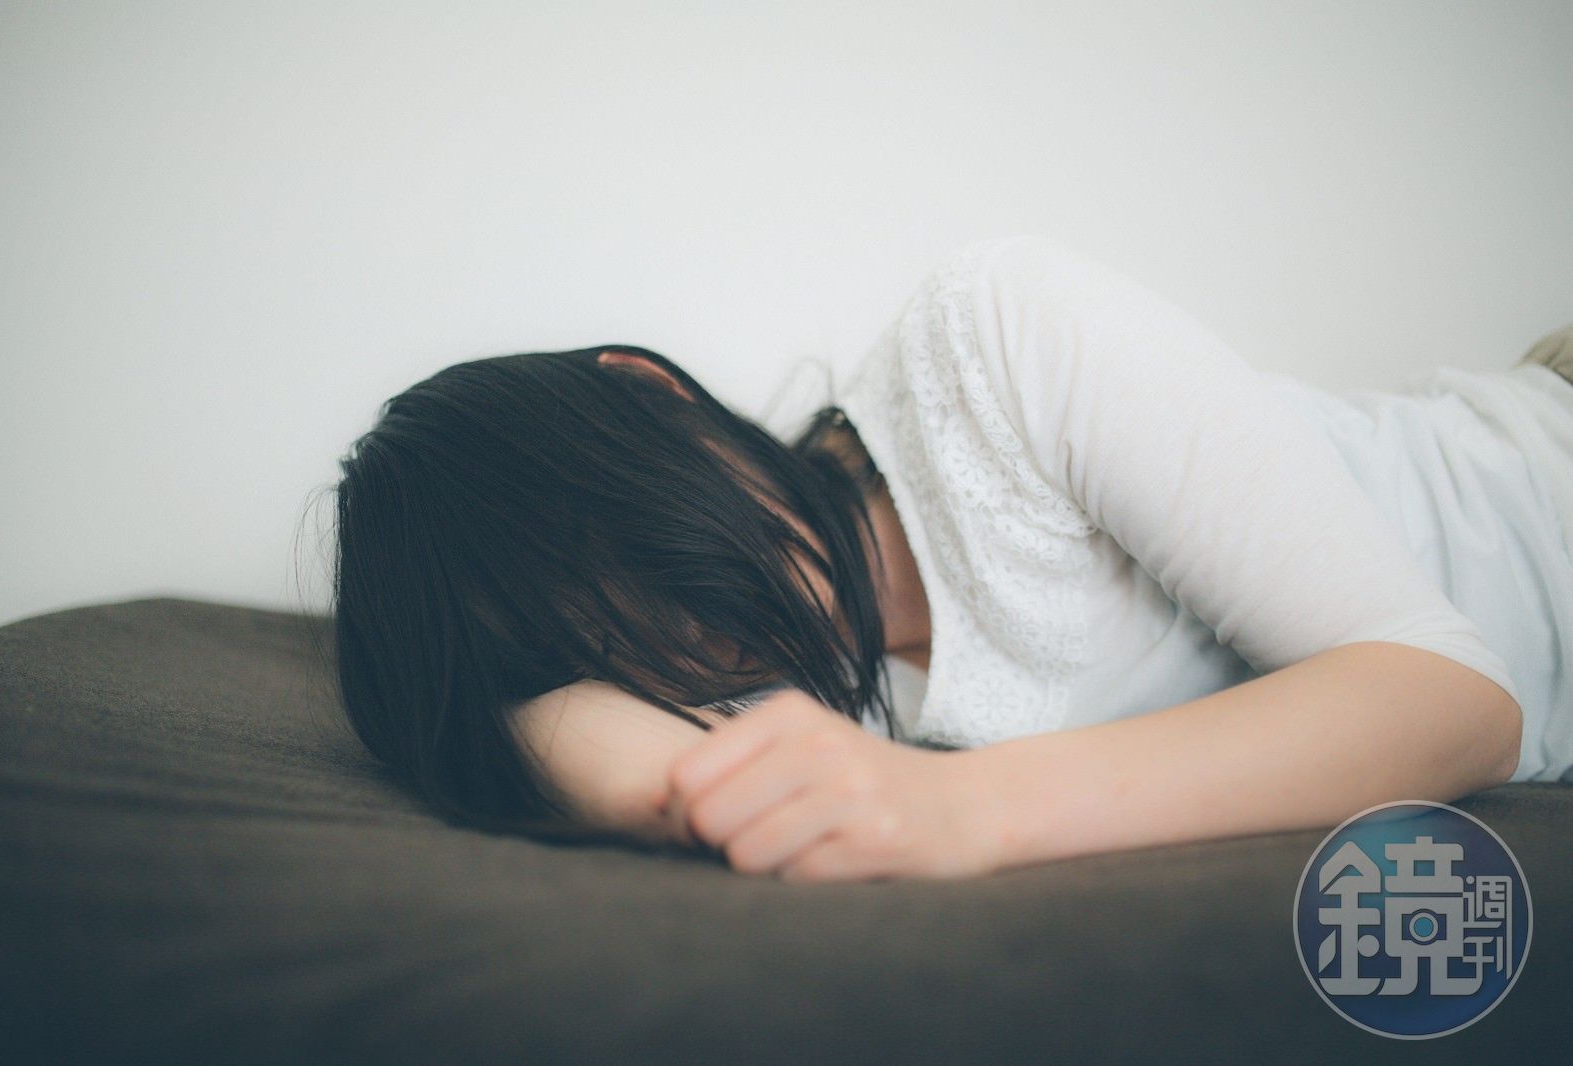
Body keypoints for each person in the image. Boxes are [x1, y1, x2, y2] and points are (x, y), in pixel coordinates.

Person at [328, 235, 1572, 883]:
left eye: (622, 554)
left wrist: (962, 808)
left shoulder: (996, 340)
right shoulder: (764, 700)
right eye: (585, 645)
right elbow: (644, 778)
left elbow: (1457, 701)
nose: (673, 638)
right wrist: (508, 675)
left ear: (651, 394)